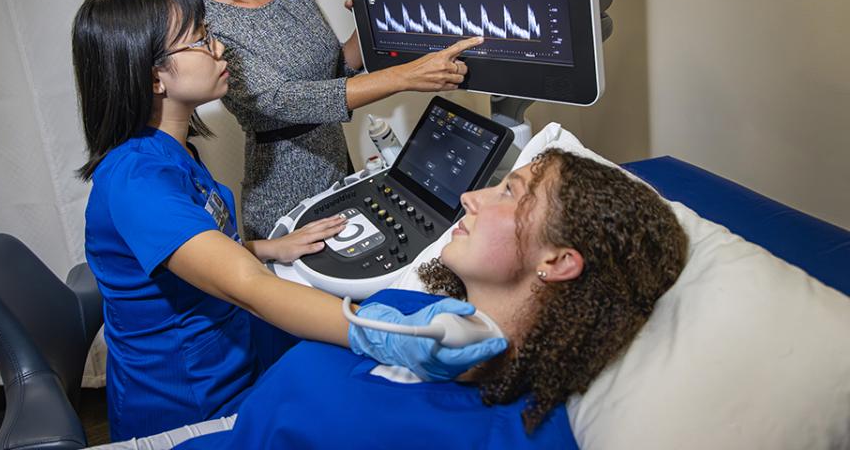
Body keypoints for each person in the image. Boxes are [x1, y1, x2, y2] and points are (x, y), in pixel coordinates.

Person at [71, 0, 505, 441]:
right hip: (193, 398)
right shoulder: (137, 182)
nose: (219, 48)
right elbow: (246, 287)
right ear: (153, 76)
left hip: (232, 351)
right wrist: (384, 332)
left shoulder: (169, 151)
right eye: (200, 38)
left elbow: (193, 245)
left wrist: (265, 246)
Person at [169, 148, 689, 449]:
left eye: (509, 192)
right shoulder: (416, 314)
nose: (470, 197)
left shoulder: (517, 433)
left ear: (556, 261)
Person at [165, 0, 484, 240]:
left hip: (339, 172)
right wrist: (407, 76)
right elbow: (291, 99)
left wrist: (374, 17)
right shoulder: (209, 22)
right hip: (283, 198)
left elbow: (337, 68)